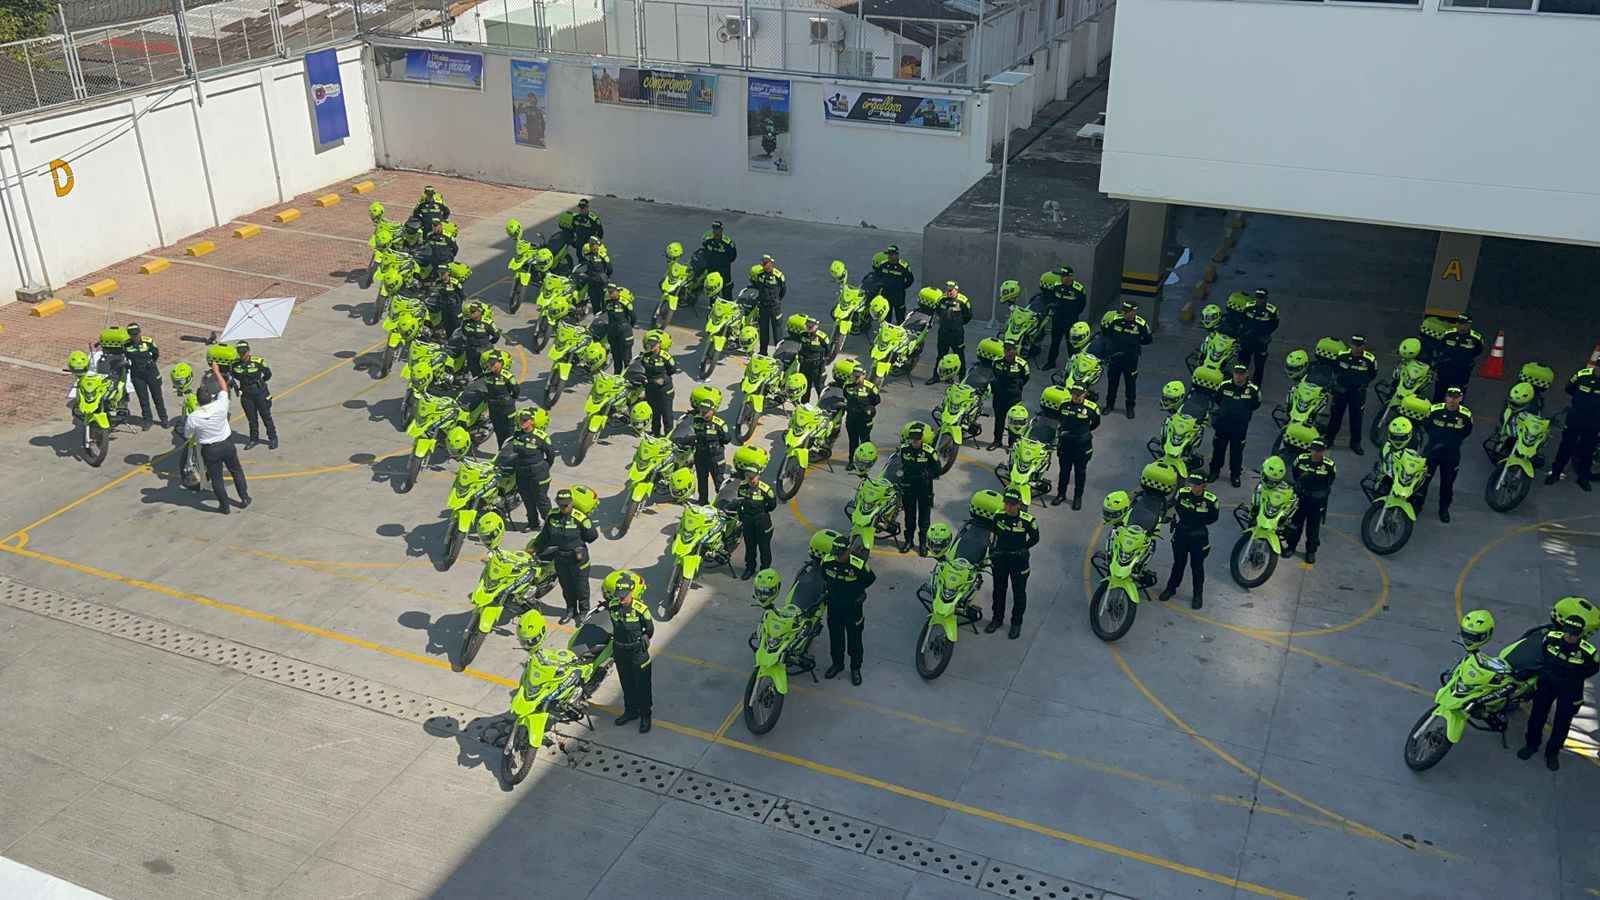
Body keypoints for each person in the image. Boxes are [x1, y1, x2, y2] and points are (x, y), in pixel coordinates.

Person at [1517, 598, 1599, 771]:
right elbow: (1545, 654)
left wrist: (1572, 677)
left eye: (1574, 634)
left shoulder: (1588, 653)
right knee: (1537, 716)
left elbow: (1591, 669)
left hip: (1570, 690)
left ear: (1581, 634)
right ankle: (1531, 745)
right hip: (1548, 683)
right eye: (1567, 632)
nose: (1569, 636)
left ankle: (1552, 753)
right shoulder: (1552, 638)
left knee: (1562, 723)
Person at [186, 359, 251, 514]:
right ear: (210, 398)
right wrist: (216, 371)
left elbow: (188, 435)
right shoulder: (220, 405)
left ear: (199, 402)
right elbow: (223, 387)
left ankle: (224, 506)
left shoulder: (194, 417)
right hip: (226, 444)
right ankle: (244, 497)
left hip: (210, 449)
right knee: (236, 470)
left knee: (216, 478)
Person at [532, 488, 598, 623]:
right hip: (560, 558)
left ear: (572, 503)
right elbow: (544, 536)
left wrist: (585, 527)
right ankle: (570, 610)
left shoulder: (580, 518)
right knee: (566, 587)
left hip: (578, 559)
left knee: (581, 587)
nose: (563, 507)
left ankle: (584, 612)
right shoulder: (552, 516)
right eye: (561, 504)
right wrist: (535, 548)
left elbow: (592, 536)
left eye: (566, 505)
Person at [1159, 472, 1220, 609]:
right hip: (1182, 533)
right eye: (1191, 483)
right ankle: (1171, 588)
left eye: (1196, 485)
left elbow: (1212, 518)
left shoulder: (1211, 501)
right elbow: (1178, 507)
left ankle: (1197, 595)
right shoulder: (1182, 493)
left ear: (1204, 485)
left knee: (1197, 567)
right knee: (1178, 564)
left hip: (1198, 537)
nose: (1193, 487)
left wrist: (1196, 521)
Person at [604, 570, 655, 734]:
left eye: (624, 596)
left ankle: (645, 715)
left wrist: (645, 637)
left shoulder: (641, 609)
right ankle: (630, 711)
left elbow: (650, 628)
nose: (621, 599)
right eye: (619, 595)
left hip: (637, 652)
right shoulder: (613, 606)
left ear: (631, 593)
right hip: (620, 650)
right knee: (626, 684)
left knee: (642, 685)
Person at [821, 535, 876, 685]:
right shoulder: (827, 562)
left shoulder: (858, 565)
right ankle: (837, 664)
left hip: (852, 608)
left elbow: (870, 579)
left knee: (855, 640)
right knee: (835, 638)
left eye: (841, 554)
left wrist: (860, 593)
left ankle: (855, 668)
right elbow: (823, 577)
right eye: (836, 554)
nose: (838, 557)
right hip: (834, 607)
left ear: (848, 551)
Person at [985, 488, 1040, 639]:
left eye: (1012, 505)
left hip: (1018, 561)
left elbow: (1035, 538)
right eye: (1006, 504)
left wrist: (1024, 548)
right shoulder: (998, 515)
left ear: (1019, 505)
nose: (1008, 507)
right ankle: (997, 619)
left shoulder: (1028, 521)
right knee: (999, 591)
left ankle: (1016, 623)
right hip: (1001, 559)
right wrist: (992, 551)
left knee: (1019, 593)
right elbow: (992, 533)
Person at [497, 408, 553, 531]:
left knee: (541, 500)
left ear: (531, 421)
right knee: (528, 500)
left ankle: (551, 526)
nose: (522, 423)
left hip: (538, 473)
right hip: (522, 473)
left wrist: (544, 467)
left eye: (525, 421)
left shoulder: (540, 436)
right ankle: (533, 524)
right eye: (521, 420)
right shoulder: (517, 435)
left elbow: (550, 454)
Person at [1546, 364, 1600, 491]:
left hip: (1594, 422)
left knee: (1587, 451)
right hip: (1576, 418)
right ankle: (1556, 473)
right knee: (1566, 446)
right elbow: (1569, 388)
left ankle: (1583, 477)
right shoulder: (1582, 374)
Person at [1422, 386, 1473, 522]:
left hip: (1451, 454)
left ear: (1461, 399)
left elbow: (1467, 431)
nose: (1452, 400)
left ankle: (1444, 509)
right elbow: (1427, 425)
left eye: (1456, 398)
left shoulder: (1465, 415)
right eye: (1450, 397)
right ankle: (1417, 504)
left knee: (1447, 484)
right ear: (1446, 397)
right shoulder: (1435, 410)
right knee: (1422, 480)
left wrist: (1452, 441)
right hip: (1432, 452)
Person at [1208, 364, 1261, 487]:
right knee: (1218, 449)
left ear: (1246, 375)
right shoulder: (1224, 385)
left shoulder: (1253, 390)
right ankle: (1214, 472)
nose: (1239, 376)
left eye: (1241, 374)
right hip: (1223, 425)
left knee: (1237, 452)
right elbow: (1218, 399)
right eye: (1236, 373)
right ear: (1233, 374)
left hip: (1240, 428)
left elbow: (1256, 404)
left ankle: (1235, 475)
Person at [1284, 438, 1336, 563]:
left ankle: (1311, 551)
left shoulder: (1329, 465)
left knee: (1313, 528)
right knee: (1295, 523)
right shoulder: (1301, 459)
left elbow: (1330, 481)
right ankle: (1291, 546)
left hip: (1317, 500)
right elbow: (1295, 473)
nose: (1316, 453)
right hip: (1301, 497)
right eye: (1314, 450)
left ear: (1323, 451)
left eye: (1319, 451)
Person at [1099, 301, 1154, 419]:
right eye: (1124, 311)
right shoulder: (1115, 320)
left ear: (1134, 312)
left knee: (1130, 384)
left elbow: (1148, 339)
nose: (1125, 314)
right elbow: (1106, 332)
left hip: (1131, 359)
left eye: (1128, 312)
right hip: (1115, 357)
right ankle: (1109, 405)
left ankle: (1130, 408)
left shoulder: (1141, 324)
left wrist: (1134, 344)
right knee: (1112, 383)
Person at [1325, 335, 1378, 455]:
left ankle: (1355, 443)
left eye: (1359, 346)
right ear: (1351, 345)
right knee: (1335, 417)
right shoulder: (1342, 355)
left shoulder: (1369, 359)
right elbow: (1335, 369)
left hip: (1357, 393)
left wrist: (1361, 383)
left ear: (1363, 346)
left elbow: (1372, 374)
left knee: (1356, 419)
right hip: (1341, 391)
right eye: (1355, 345)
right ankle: (1329, 439)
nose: (1357, 348)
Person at [1051, 384, 1101, 509]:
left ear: (1085, 394)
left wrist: (1083, 432)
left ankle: (1077, 498)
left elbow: (1095, 423)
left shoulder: (1092, 408)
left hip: (1082, 446)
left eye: (1080, 394)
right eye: (1074, 394)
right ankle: (1061, 494)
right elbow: (1059, 419)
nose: (1077, 397)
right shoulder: (1063, 404)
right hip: (1066, 444)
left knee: (1080, 473)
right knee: (1064, 472)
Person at [898, 424, 940, 555]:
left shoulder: (929, 452)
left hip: (924, 487)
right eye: (913, 439)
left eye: (917, 439)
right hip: (909, 486)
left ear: (922, 439)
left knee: (924, 518)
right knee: (909, 517)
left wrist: (928, 474)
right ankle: (908, 541)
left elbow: (938, 470)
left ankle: (923, 544)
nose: (915, 441)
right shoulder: (904, 449)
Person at [228, 341, 278, 450]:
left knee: (266, 417)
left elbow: (268, 374)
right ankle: (254, 439)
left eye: (244, 352)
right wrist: (234, 385)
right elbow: (230, 376)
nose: (242, 355)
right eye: (240, 353)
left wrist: (260, 382)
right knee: (252, 419)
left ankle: (273, 439)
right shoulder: (234, 364)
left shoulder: (258, 362)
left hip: (260, 392)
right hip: (246, 395)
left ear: (249, 351)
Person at [735, 452, 777, 579]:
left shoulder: (765, 490)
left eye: (753, 477)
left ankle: (765, 570)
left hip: (762, 521)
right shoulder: (742, 487)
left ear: (758, 476)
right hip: (748, 521)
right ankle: (750, 568)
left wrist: (761, 513)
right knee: (750, 546)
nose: (751, 479)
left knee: (764, 548)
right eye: (748, 477)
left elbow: (772, 505)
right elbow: (740, 501)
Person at [1041, 266, 1088, 370]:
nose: (1063, 278)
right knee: (1055, 342)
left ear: (1071, 277)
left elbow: (1082, 305)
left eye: (1065, 276)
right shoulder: (1057, 286)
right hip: (1058, 318)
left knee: (1072, 344)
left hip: (1070, 319)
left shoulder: (1078, 289)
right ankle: (1051, 362)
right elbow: (1053, 298)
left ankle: (1074, 366)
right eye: (1062, 276)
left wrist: (1072, 313)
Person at [122, 323, 168, 429]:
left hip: (150, 372)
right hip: (137, 374)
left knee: (157, 397)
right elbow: (124, 357)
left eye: (137, 334)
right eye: (133, 335)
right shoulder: (126, 345)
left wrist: (152, 362)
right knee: (143, 398)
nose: (135, 336)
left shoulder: (148, 341)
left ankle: (164, 419)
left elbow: (156, 353)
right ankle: (147, 420)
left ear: (140, 332)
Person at [1231, 289, 1279, 390]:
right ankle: (1239, 385)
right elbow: (1243, 320)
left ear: (1266, 298)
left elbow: (1274, 324)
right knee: (1242, 364)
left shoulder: (1272, 311)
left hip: (1261, 343)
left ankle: (1255, 388)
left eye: (1261, 298)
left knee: (1259, 366)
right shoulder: (1248, 306)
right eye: (1257, 297)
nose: (1259, 300)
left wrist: (1266, 334)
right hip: (1247, 341)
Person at [689, 390, 731, 504]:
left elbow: (727, 439)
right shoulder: (697, 419)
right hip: (701, 455)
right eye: (702, 410)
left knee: (719, 482)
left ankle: (722, 503)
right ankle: (703, 502)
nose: (704, 413)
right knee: (702, 481)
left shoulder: (719, 424)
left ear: (713, 411)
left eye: (706, 411)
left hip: (715, 457)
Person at [1430, 314, 1483, 403]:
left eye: (1462, 324)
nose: (1459, 326)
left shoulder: (1476, 338)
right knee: (1439, 391)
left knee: (1458, 392)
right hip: (1445, 368)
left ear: (1469, 325)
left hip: (1462, 370)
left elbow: (1478, 351)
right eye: (1458, 323)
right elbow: (1440, 347)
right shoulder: (1448, 334)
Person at [926, 281, 972, 383]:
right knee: (941, 355)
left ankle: (961, 380)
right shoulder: (941, 299)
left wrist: (958, 323)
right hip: (943, 332)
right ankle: (936, 376)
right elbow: (937, 312)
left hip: (957, 334)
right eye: (948, 290)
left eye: (951, 290)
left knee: (960, 356)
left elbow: (968, 315)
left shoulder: (963, 300)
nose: (949, 293)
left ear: (956, 290)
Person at [988, 340, 1030, 450]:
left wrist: (1017, 387)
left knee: (1014, 421)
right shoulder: (997, 362)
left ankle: (1012, 443)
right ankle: (997, 441)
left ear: (1015, 350)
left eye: (1010, 350)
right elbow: (993, 375)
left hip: (1013, 398)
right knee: (999, 420)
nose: (1007, 352)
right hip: (999, 396)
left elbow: (1026, 378)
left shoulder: (1022, 364)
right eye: (1005, 349)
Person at [477, 350, 520, 447]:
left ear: (500, 363)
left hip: (506, 408)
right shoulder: (487, 374)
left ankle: (511, 453)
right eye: (489, 363)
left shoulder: (507, 376)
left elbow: (516, 390)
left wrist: (509, 400)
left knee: (509, 433)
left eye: (493, 363)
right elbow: (478, 380)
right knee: (499, 432)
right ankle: (501, 451)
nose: (491, 366)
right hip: (494, 407)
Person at [639, 332, 677, 437]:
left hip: (664, 389)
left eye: (654, 345)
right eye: (649, 345)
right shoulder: (645, 356)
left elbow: (672, 370)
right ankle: (655, 431)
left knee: (666, 413)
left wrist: (663, 379)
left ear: (659, 344)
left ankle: (668, 434)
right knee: (654, 411)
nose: (651, 347)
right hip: (651, 387)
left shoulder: (665, 357)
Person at [749, 255, 787, 354]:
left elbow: (783, 290)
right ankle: (763, 351)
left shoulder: (778, 276)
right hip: (763, 306)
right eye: (763, 263)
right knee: (764, 331)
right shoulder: (759, 275)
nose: (764, 265)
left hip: (774, 307)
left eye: (766, 263)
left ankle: (779, 353)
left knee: (777, 331)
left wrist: (777, 300)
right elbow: (756, 286)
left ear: (771, 263)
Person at [453, 301, 500, 378]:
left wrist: (489, 343)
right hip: (471, 350)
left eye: (473, 311)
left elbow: (496, 335)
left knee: (488, 369)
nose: (471, 313)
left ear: (479, 312)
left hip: (484, 350)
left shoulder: (488, 323)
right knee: (474, 368)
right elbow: (463, 332)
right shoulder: (466, 322)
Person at [871, 245, 915, 324]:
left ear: (897, 255)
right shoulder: (883, 264)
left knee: (900, 316)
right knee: (886, 316)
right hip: (886, 295)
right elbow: (877, 276)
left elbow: (910, 280)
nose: (890, 256)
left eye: (892, 254)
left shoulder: (903, 266)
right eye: (889, 254)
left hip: (898, 296)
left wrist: (901, 287)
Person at [600, 284, 636, 375]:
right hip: (612, 331)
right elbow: (604, 312)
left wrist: (628, 327)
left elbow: (633, 317)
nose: (611, 294)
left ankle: (627, 377)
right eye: (609, 292)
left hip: (624, 331)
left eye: (612, 292)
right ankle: (616, 376)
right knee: (616, 357)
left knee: (626, 357)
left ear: (617, 292)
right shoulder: (607, 302)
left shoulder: (625, 303)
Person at [842, 366, 879, 455]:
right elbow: (846, 395)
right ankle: (852, 461)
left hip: (865, 420)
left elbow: (876, 400)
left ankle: (867, 459)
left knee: (865, 441)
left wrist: (867, 408)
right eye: (854, 376)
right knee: (853, 441)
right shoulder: (847, 385)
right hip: (852, 419)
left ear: (864, 375)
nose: (856, 379)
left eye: (858, 377)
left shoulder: (870, 387)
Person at [796, 317, 830, 403]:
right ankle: (804, 405)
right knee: (805, 386)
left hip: (817, 367)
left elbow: (828, 352)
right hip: (804, 365)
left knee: (819, 387)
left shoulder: (822, 337)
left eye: (811, 327)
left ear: (816, 326)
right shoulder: (802, 335)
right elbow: (800, 348)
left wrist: (823, 363)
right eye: (807, 326)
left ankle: (823, 406)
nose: (809, 328)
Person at [700, 221, 737, 294]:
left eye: (717, 229)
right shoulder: (708, 239)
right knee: (712, 288)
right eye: (714, 229)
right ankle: (712, 304)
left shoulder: (728, 243)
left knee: (726, 288)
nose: (715, 231)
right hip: (711, 268)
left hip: (724, 269)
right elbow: (705, 248)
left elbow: (733, 256)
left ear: (722, 230)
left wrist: (724, 262)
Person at [578, 236, 614, 312]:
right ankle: (599, 313)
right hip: (597, 281)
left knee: (599, 300)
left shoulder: (592, 255)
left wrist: (606, 275)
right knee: (599, 300)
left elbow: (609, 268)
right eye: (592, 246)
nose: (594, 247)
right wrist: (607, 276)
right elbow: (609, 268)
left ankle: (599, 313)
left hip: (597, 280)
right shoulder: (600, 255)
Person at [435, 264, 465, 339]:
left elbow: (461, 295)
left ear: (448, 273)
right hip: (444, 307)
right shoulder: (438, 282)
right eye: (439, 273)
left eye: (443, 273)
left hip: (454, 308)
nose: (441, 275)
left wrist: (457, 305)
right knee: (447, 325)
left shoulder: (455, 282)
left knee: (457, 325)